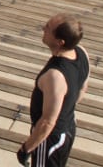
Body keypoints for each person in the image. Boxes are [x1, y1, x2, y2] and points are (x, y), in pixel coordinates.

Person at [16, 14, 89, 167]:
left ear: (59, 42)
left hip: (50, 139)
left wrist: (26, 148)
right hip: (68, 127)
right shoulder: (81, 53)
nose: (43, 28)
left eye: (48, 28)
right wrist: (66, 108)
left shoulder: (55, 76)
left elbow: (47, 122)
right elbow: (82, 88)